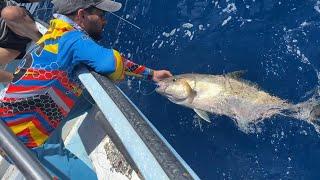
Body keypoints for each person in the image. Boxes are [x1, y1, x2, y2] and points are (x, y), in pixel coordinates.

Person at [0, 0, 172, 151]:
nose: (105, 20)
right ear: (81, 15)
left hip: (7, 126)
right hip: (21, 142)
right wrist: (152, 74)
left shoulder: (55, 31)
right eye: (101, 14)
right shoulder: (73, 40)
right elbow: (110, 63)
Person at [0, 0, 43, 83]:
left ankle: (47, 46)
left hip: (14, 23)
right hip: (7, 45)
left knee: (9, 13)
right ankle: (22, 82)